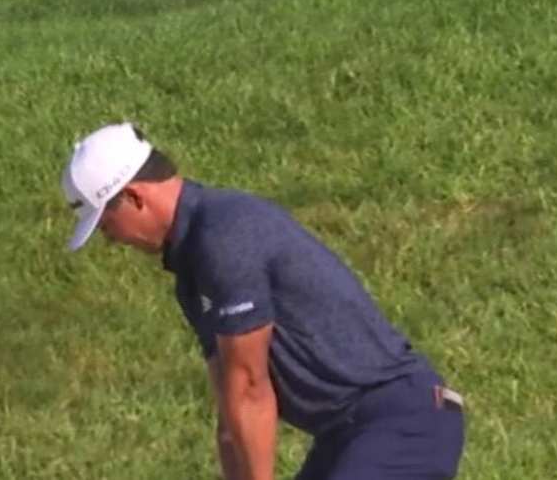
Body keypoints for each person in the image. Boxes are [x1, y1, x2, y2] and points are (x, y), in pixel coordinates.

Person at [62, 122, 465, 480]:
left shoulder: (224, 236)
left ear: (134, 197)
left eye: (104, 224)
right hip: (347, 435)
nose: (111, 240)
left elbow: (251, 386)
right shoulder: (191, 273)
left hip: (404, 422)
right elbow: (232, 416)